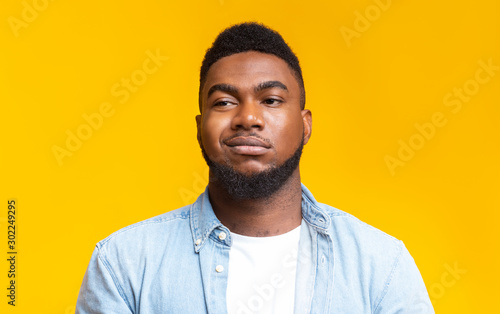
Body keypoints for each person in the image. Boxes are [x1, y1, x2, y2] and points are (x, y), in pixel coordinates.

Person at [76, 22, 434, 313]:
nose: (248, 117)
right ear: (200, 126)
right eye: (225, 101)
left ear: (305, 124)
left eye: (271, 100)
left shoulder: (380, 265)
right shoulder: (124, 264)